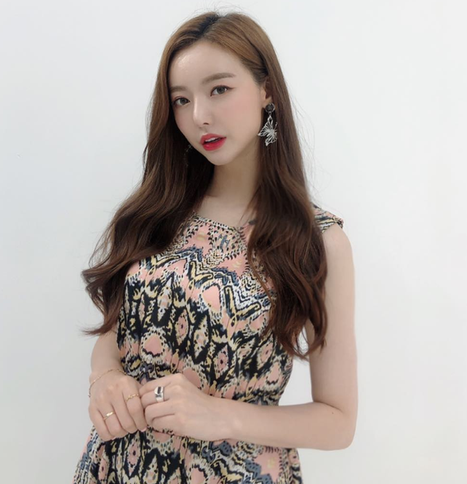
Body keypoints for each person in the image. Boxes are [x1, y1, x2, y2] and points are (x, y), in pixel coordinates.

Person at [72, 9, 357, 484]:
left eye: (219, 89)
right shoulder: (155, 212)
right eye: (181, 100)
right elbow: (115, 334)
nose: (198, 115)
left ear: (267, 90)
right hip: (117, 467)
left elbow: (338, 421)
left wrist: (220, 416)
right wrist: (105, 379)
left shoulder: (318, 242)